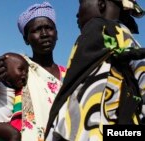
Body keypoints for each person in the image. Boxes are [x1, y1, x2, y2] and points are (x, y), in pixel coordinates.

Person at [45, 0, 145, 140]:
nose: (76, 14)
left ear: (101, 4)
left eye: (81, 4)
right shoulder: (126, 39)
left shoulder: (98, 29)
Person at [0, 2, 66, 141]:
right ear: (26, 39)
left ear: (56, 33)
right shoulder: (15, 70)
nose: (44, 34)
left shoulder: (70, 75)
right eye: (37, 30)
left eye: (49, 28)